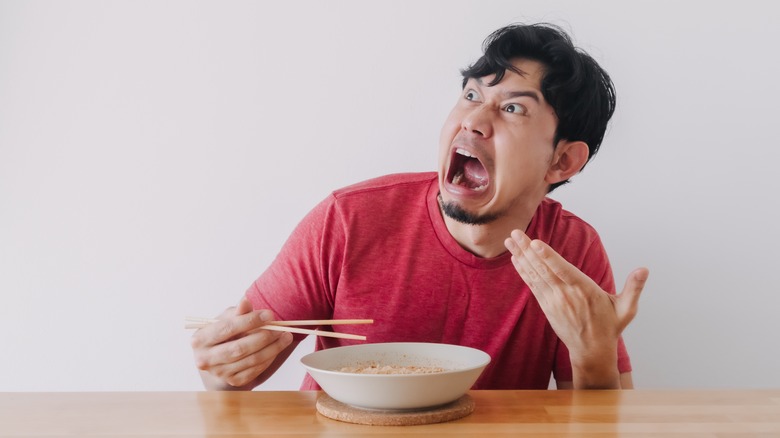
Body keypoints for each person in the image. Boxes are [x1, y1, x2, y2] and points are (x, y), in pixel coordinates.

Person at [191, 23, 649, 391]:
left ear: (561, 160)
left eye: (512, 109)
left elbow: (603, 425)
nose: (473, 120)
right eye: (471, 96)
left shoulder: (570, 251)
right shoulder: (348, 220)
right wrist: (220, 369)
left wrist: (593, 355)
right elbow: (234, 379)